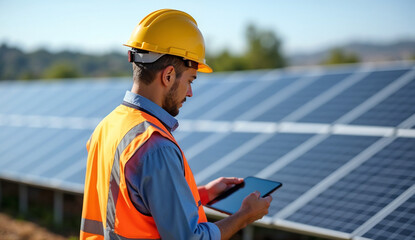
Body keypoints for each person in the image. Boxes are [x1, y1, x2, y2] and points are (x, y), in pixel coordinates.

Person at [80, 9, 272, 240]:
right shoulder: (154, 146)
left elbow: (130, 199)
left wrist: (204, 194)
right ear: (168, 75)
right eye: (190, 80)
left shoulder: (108, 125)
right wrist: (244, 216)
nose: (190, 92)